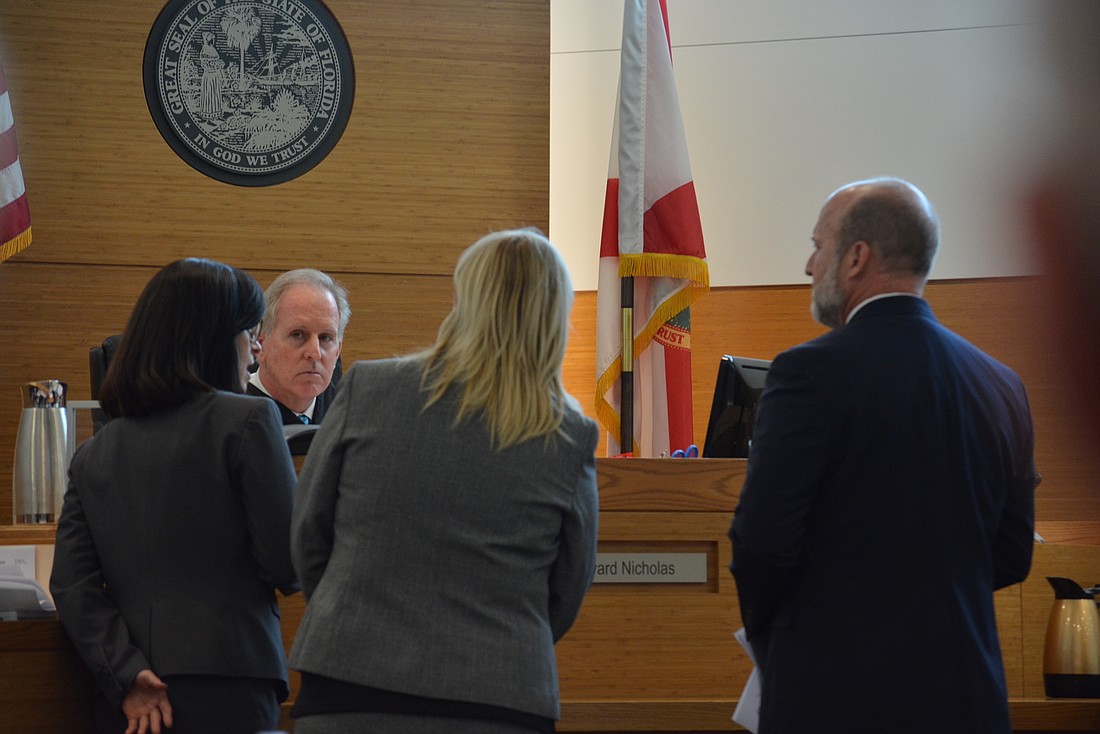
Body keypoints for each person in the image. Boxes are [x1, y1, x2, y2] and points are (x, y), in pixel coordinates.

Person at [728, 178, 1038, 733]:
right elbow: (1013, 554)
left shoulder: (808, 373)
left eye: (817, 245)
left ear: (856, 258)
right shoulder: (1001, 385)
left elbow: (761, 545)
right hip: (968, 700)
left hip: (836, 700)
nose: (807, 264)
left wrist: (784, 645)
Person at [288, 228, 599, 734]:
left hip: (350, 680)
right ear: (554, 318)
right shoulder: (567, 435)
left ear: (461, 300)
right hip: (498, 694)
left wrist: (356, 610)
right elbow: (566, 590)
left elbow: (307, 535)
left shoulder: (371, 388)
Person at [50, 258, 299, 734]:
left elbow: (72, 587)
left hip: (132, 699)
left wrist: (127, 674)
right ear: (213, 340)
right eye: (249, 332)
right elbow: (288, 563)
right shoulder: (248, 422)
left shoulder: (93, 453)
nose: (255, 349)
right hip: (232, 685)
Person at [248, 267, 350, 425]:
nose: (315, 353)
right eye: (297, 335)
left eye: (325, 337)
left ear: (338, 351)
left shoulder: (349, 417)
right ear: (260, 345)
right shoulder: (228, 418)